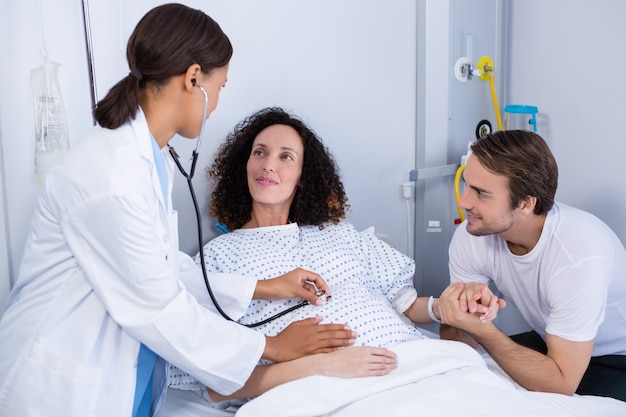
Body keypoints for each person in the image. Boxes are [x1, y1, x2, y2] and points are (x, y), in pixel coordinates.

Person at [0, 5, 398, 417]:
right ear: (193, 79)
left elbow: (164, 266)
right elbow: (161, 309)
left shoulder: (145, 162)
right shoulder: (112, 177)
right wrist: (276, 347)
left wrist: (266, 286)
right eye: (220, 86)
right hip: (56, 386)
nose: (215, 105)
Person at [163, 107, 501, 413]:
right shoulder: (217, 258)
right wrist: (325, 365)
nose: (268, 164)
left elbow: (407, 305)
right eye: (260, 153)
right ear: (244, 165)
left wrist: (445, 307)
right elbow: (212, 383)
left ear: (303, 175)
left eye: (286, 157)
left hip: (414, 364)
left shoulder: (340, 233)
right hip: (323, 390)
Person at [437, 129, 626, 401]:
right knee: (460, 376)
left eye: (481, 193)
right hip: (553, 342)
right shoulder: (474, 234)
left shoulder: (579, 252)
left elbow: (561, 384)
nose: (463, 202)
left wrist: (482, 330)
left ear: (525, 203)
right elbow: (458, 342)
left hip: (616, 357)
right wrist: (460, 315)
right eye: (467, 185)